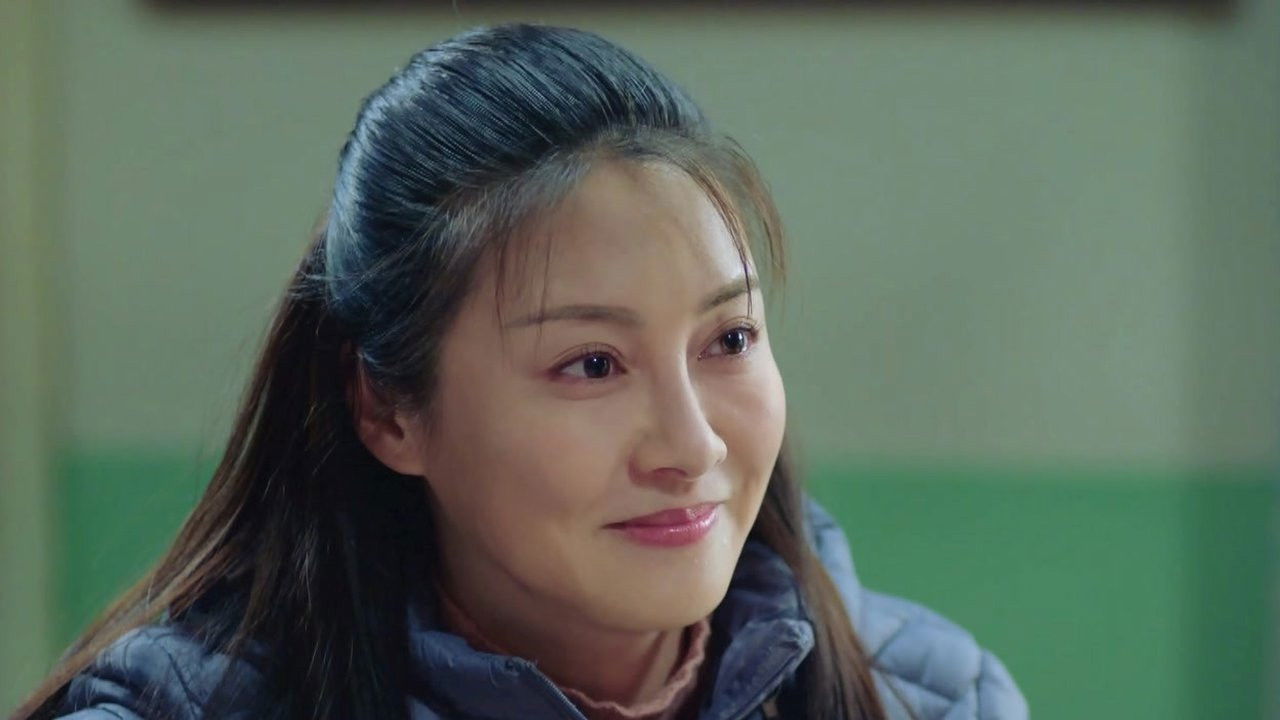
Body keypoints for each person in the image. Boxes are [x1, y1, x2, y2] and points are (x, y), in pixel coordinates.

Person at [14, 24, 1027, 720]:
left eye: (728, 340)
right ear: (389, 410)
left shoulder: (933, 698)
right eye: (592, 364)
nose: (691, 446)